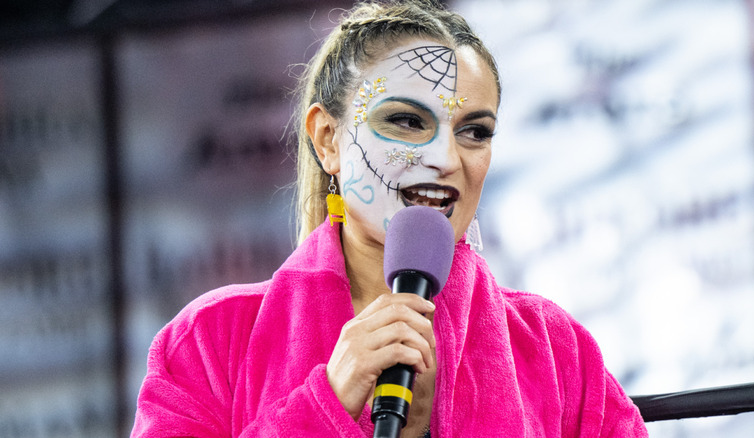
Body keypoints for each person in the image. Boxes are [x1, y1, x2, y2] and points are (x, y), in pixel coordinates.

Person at [130, 1, 648, 436]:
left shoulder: (554, 349)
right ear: (328, 139)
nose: (446, 158)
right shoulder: (208, 340)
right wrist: (327, 400)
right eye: (406, 121)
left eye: (474, 131)